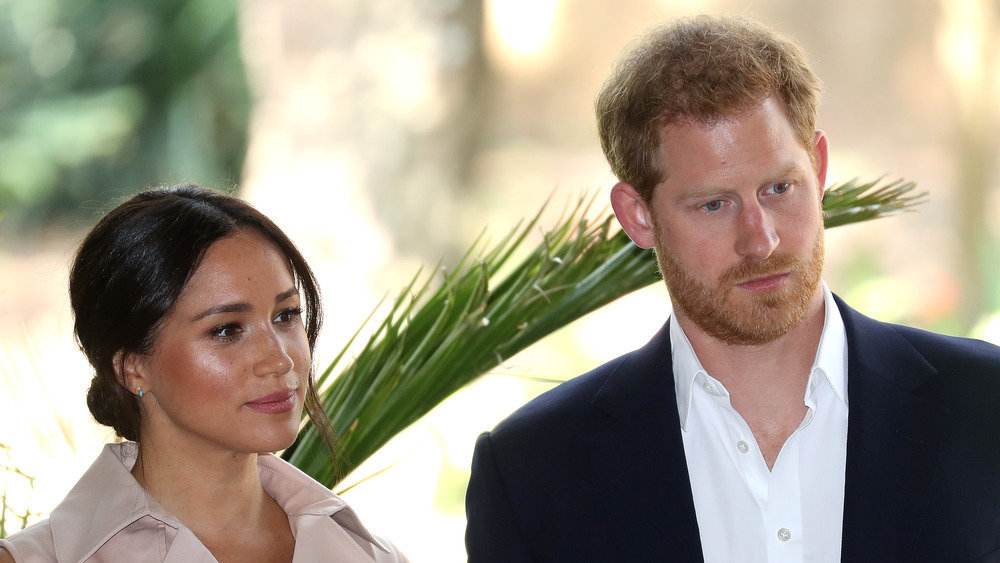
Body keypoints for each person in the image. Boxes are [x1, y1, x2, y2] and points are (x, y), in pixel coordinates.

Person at [465, 14, 1000, 562]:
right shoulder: (533, 473)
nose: (760, 239)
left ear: (818, 169)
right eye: (714, 204)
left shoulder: (987, 406)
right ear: (638, 216)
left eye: (779, 187)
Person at [0, 185, 408, 562]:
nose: (281, 360)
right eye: (227, 329)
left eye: (286, 315)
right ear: (132, 367)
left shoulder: (366, 552)